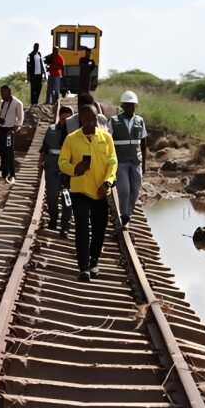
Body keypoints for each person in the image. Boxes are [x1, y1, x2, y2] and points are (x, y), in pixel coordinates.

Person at [59, 105, 117, 281]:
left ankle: (94, 261)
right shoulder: (71, 139)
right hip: (80, 191)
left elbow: (112, 162)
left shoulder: (106, 138)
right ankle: (83, 267)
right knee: (82, 228)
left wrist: (107, 182)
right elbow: (62, 163)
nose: (91, 122)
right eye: (87, 119)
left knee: (100, 228)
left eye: (94, 119)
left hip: (100, 191)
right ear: (81, 121)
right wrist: (75, 169)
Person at [109, 90, 148, 226]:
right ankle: (124, 214)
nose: (130, 107)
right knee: (124, 190)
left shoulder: (140, 121)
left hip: (136, 161)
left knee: (135, 190)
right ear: (122, 106)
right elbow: (108, 143)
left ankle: (128, 213)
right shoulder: (114, 121)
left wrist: (144, 165)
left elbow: (143, 143)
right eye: (128, 105)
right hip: (120, 162)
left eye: (133, 105)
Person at [39, 104, 74, 236]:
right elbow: (45, 147)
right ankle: (53, 219)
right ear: (60, 117)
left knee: (67, 198)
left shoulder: (75, 133)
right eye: (64, 118)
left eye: (68, 119)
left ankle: (65, 226)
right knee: (52, 196)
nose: (65, 122)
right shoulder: (51, 129)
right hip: (52, 166)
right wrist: (40, 162)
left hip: (68, 169)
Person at [0, 84, 24, 184]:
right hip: (1, 129)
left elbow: (20, 119)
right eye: (0, 93)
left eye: (3, 93)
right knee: (2, 151)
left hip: (10, 130)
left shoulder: (17, 103)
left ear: (9, 92)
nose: (1, 95)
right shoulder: (1, 102)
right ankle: (4, 174)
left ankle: (12, 174)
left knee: (9, 152)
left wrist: (15, 129)